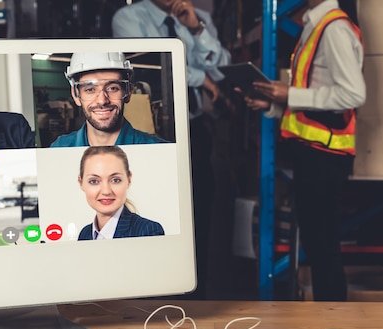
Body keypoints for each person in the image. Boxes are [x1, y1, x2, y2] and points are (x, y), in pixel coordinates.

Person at [241, 0, 365, 301]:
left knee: (323, 246)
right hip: (312, 152)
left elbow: (353, 93)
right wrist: (273, 103)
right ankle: (328, 322)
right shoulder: (315, 25)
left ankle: (332, 323)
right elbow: (314, 96)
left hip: (325, 154)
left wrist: (289, 93)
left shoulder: (333, 28)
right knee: (317, 244)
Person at [112, 0, 232, 299]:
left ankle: (194, 294)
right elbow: (149, 64)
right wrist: (199, 77)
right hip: (153, 132)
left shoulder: (199, 18)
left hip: (194, 129)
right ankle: (150, 294)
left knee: (198, 213)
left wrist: (196, 28)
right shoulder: (128, 18)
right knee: (153, 213)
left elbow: (221, 66)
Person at [50, 52, 168, 147]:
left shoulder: (158, 150)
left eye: (112, 88)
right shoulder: (60, 148)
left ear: (128, 92)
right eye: (90, 89)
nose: (102, 101)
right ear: (76, 95)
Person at [77, 145, 164, 240]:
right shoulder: (84, 234)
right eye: (94, 181)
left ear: (129, 179)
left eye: (115, 180)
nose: (106, 191)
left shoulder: (148, 231)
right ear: (81, 183)